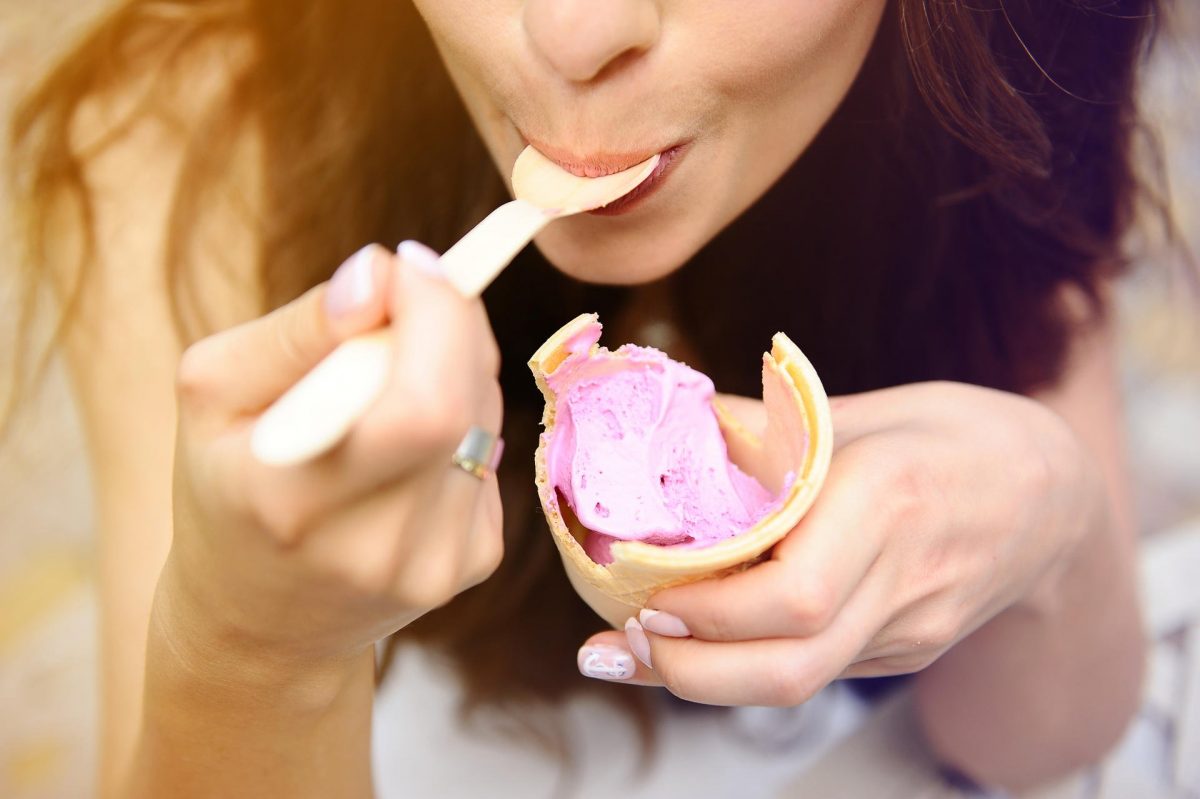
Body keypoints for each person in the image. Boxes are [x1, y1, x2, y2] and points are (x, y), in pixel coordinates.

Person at [8, 0, 1162, 795]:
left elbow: (1026, 744)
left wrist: (1051, 522)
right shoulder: (196, 136)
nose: (569, 33)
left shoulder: (995, 75)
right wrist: (248, 650)